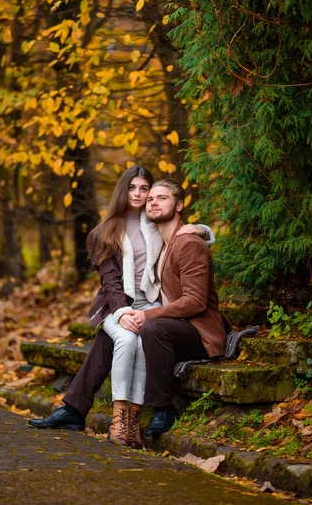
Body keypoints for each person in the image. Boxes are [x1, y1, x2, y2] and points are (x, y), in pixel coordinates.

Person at [28, 166, 213, 447]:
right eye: (132, 188)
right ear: (122, 190)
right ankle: (119, 418)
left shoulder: (155, 222)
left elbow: (181, 235)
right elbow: (110, 282)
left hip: (154, 302)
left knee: (133, 340)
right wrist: (123, 312)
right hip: (119, 304)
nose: (139, 194)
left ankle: (84, 411)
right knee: (125, 336)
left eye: (144, 189)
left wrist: (202, 229)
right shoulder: (104, 232)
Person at [128, 179, 226, 437]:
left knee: (153, 327)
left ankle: (163, 408)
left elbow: (195, 301)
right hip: (179, 328)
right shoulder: (163, 245)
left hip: (201, 333)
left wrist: (147, 314)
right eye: (151, 199)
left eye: (163, 198)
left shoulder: (189, 244)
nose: (153, 202)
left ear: (180, 205)